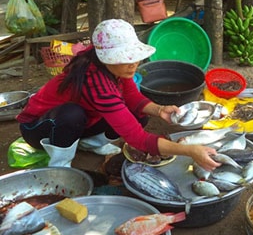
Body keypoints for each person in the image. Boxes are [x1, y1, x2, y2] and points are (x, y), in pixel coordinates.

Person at [16, 19, 221, 170]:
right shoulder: (96, 82)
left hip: (82, 120)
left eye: (134, 57)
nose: (133, 63)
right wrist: (190, 150)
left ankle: (88, 144)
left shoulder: (115, 67)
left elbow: (133, 97)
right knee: (72, 114)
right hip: (37, 127)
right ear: (106, 58)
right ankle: (59, 167)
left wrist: (159, 110)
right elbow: (138, 139)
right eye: (125, 58)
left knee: (138, 113)